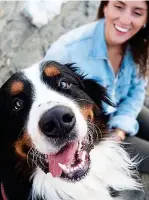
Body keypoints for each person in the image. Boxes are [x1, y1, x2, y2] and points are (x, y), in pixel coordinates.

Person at [43, 0, 149, 173]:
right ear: (105, 6)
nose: (124, 19)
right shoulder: (67, 50)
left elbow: (137, 90)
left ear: (146, 19)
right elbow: (49, 102)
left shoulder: (137, 44)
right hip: (95, 131)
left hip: (123, 107)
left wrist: (122, 126)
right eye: (119, 7)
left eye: (137, 13)